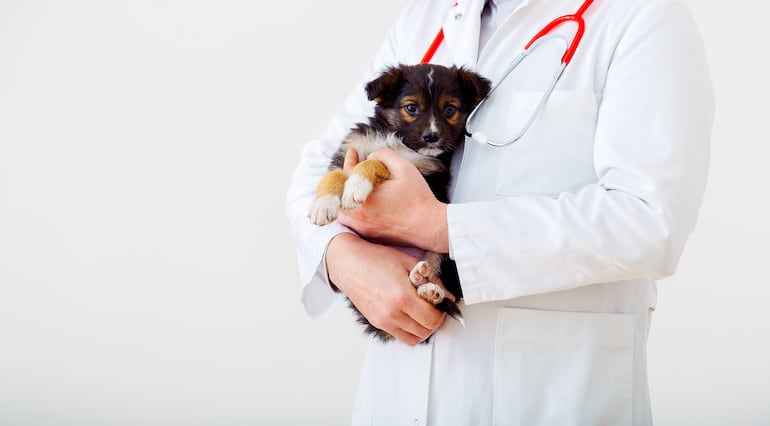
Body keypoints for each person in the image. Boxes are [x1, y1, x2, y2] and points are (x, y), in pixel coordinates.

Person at [285, 0, 714, 424]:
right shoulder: (426, 15)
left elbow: (650, 218)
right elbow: (326, 162)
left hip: (550, 388)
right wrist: (342, 257)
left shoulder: (645, 14)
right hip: (398, 391)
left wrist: (440, 228)